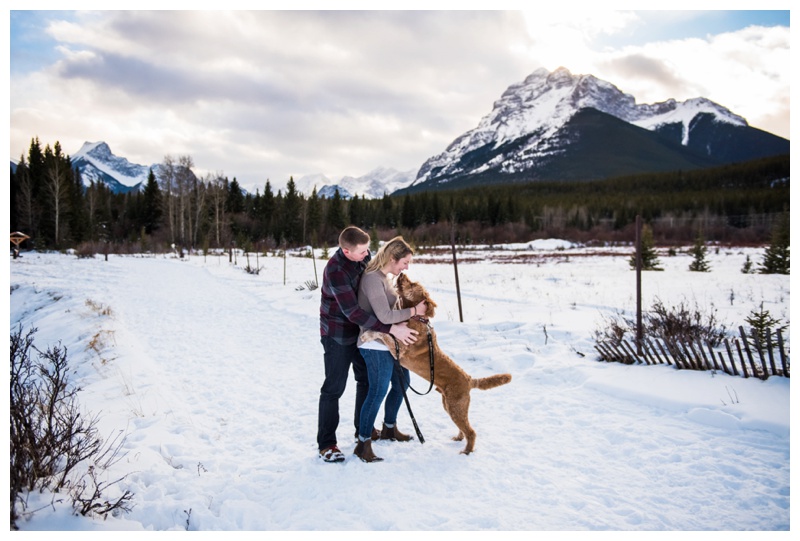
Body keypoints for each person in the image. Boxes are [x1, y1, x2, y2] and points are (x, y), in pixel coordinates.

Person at [317, 226, 418, 463]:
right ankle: (327, 444)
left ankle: (362, 429)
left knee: (365, 380)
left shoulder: (362, 259)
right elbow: (353, 312)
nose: (367, 255)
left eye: (367, 250)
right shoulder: (335, 270)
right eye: (362, 252)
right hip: (338, 334)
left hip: (363, 333)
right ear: (346, 250)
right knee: (334, 388)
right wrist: (392, 328)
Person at [354, 236, 427, 462]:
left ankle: (388, 427)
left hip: (390, 342)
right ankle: (363, 442)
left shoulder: (384, 278)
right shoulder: (371, 279)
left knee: (402, 382)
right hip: (374, 343)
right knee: (378, 390)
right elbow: (384, 316)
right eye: (404, 262)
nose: (406, 267)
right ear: (393, 258)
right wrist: (414, 311)